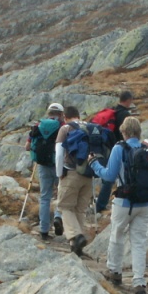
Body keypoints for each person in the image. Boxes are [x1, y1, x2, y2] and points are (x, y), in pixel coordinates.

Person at [89, 116, 148, 294]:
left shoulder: (119, 148)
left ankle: (114, 271)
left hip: (124, 201)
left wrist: (94, 164)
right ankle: (139, 282)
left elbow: (109, 176)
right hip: (145, 202)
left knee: (117, 235)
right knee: (139, 242)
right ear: (138, 132)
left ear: (124, 132)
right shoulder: (147, 148)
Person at [54, 105, 93, 256]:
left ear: (65, 117)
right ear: (78, 115)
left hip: (70, 173)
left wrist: (59, 173)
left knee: (65, 207)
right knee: (79, 210)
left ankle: (77, 236)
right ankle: (76, 248)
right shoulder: (89, 127)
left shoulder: (65, 129)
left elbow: (59, 154)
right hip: (88, 174)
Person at [27, 102, 64, 239]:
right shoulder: (63, 126)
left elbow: (27, 146)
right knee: (61, 194)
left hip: (42, 165)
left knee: (44, 197)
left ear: (48, 113)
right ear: (61, 114)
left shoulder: (38, 126)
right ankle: (58, 217)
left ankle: (44, 230)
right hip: (59, 165)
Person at [95, 89, 136, 214]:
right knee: (112, 178)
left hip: (108, 147)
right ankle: (101, 205)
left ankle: (101, 203)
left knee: (109, 176)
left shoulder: (113, 111)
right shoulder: (125, 115)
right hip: (120, 148)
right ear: (128, 100)